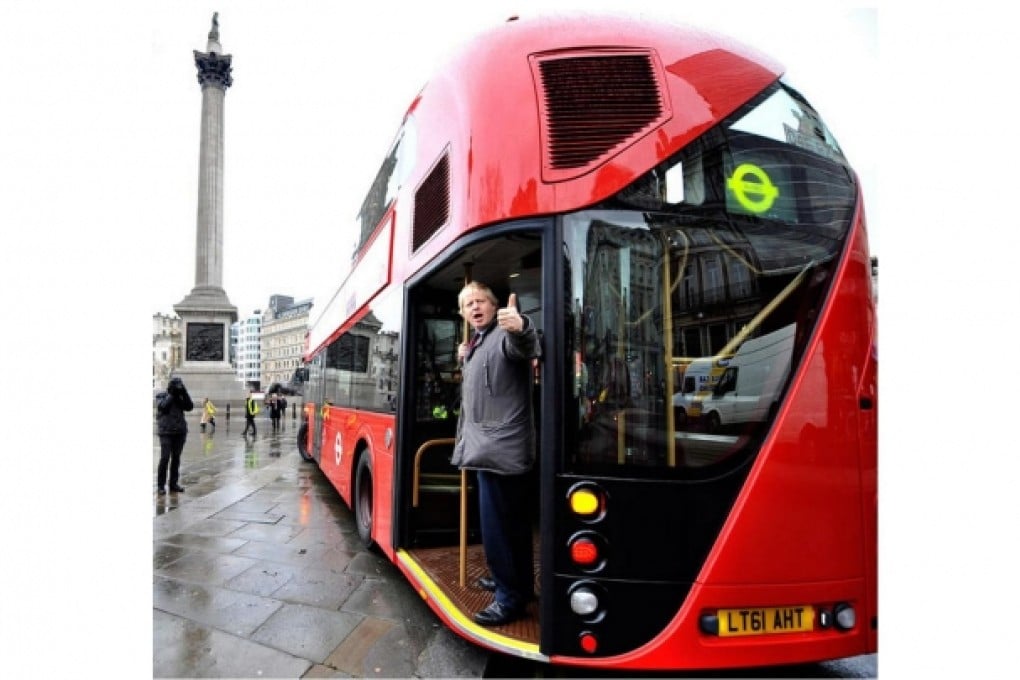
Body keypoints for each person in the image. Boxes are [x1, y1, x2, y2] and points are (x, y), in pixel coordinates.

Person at [450, 282, 541, 626]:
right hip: (490, 450)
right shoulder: (477, 342)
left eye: (481, 301)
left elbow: (524, 344)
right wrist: (466, 356)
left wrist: (522, 327)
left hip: (500, 452)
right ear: (462, 313)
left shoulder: (504, 334)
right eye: (468, 304)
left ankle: (508, 598)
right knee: (513, 526)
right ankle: (516, 584)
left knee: (498, 529)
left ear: (494, 305)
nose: (475, 307)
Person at [156, 376, 193, 494]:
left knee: (176, 458)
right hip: (166, 431)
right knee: (165, 458)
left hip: (179, 431)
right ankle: (161, 485)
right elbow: (162, 407)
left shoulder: (181, 396)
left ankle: (173, 483)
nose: (178, 387)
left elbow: (189, 407)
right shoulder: (161, 395)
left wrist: (184, 391)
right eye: (176, 385)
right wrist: (172, 394)